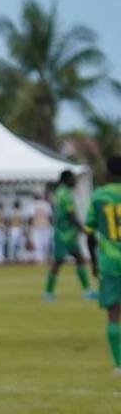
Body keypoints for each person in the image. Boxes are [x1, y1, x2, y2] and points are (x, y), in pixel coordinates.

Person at [83, 155, 121, 374]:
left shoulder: (99, 196)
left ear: (108, 173)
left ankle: (118, 364)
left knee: (114, 313)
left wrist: (94, 263)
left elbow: (89, 233)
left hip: (109, 261)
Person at [45, 170, 96, 300]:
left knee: (79, 258)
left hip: (68, 234)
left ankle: (87, 291)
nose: (75, 181)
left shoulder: (62, 192)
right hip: (63, 234)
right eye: (73, 179)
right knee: (58, 261)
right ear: (66, 179)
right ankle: (48, 292)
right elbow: (70, 215)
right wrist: (83, 228)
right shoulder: (64, 194)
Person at [30, 191, 53, 263]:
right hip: (46, 226)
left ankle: (39, 259)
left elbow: (30, 218)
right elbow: (50, 217)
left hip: (36, 227)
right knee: (45, 244)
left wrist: (29, 227)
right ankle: (45, 258)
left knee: (38, 244)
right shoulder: (46, 205)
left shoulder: (32, 205)